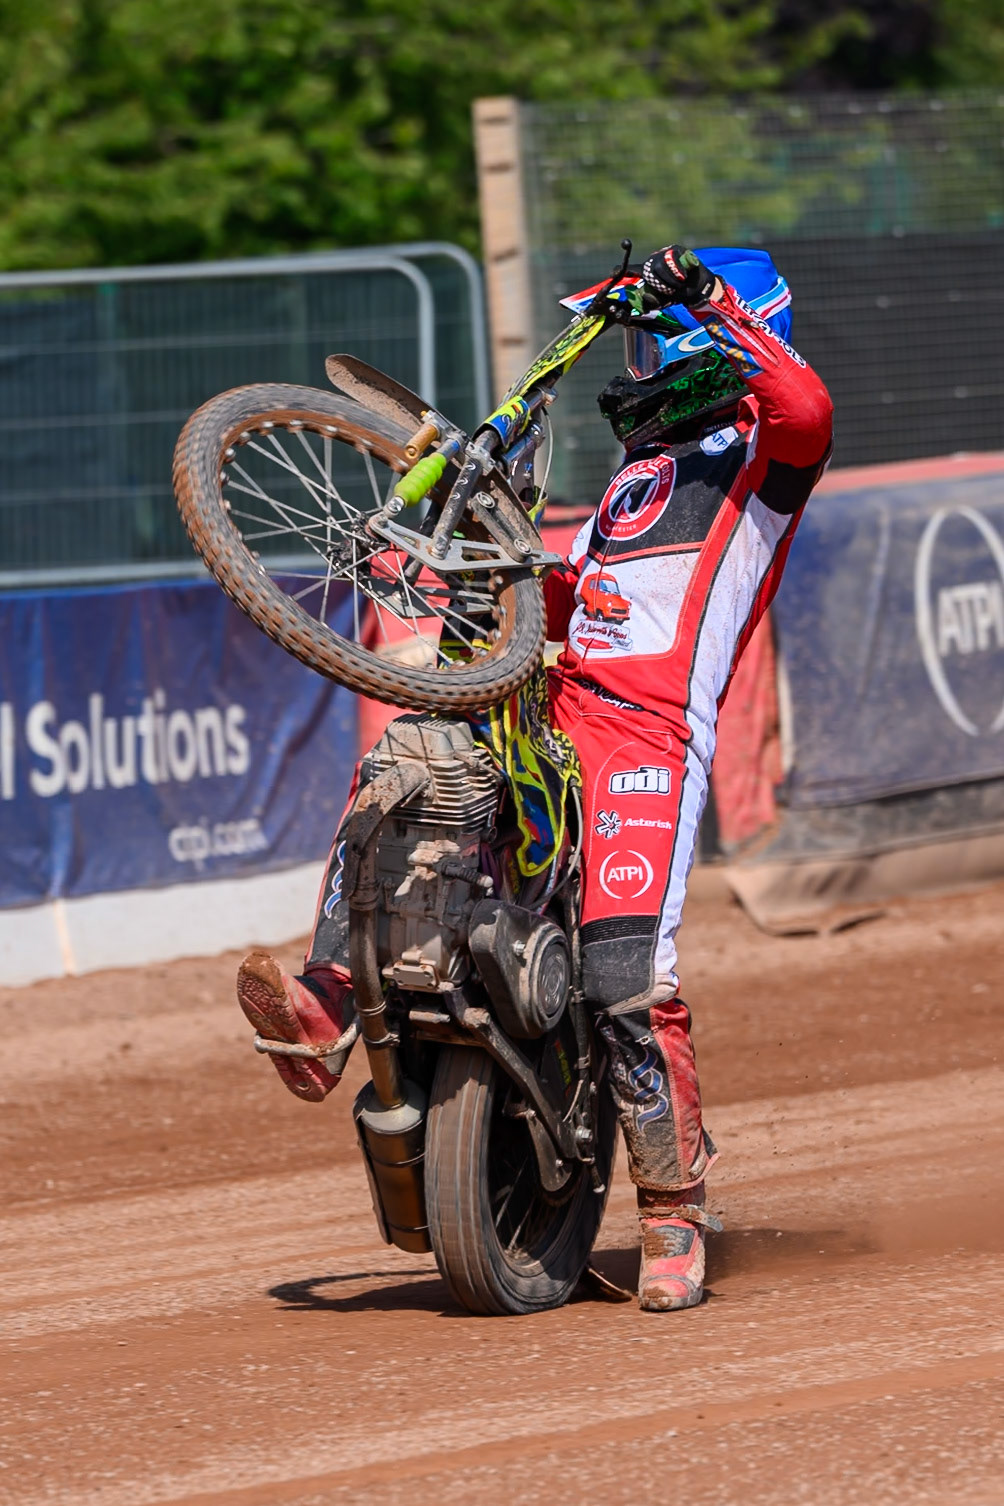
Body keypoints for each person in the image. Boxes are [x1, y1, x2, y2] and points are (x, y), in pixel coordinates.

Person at [236, 244, 834, 1313]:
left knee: (624, 983)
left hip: (648, 739)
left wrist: (698, 294)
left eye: (667, 337)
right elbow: (571, 604)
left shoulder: (765, 454)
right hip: (555, 699)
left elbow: (801, 399)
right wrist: (469, 580)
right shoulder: (640, 472)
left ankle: (670, 1212)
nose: (649, 357)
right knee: (401, 771)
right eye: (650, 337)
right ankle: (328, 1001)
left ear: (728, 331)